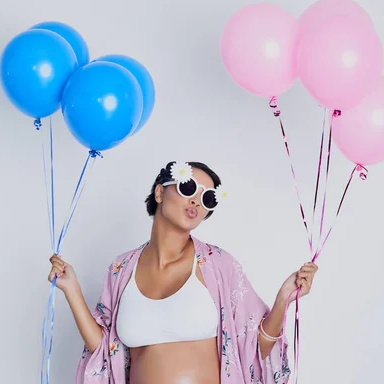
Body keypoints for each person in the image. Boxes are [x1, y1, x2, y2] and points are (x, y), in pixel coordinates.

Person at [48, 161, 318, 384]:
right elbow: (105, 352)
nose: (196, 201)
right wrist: (72, 290)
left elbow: (255, 349)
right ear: (159, 193)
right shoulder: (121, 269)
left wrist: (283, 299)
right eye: (188, 186)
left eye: (207, 198)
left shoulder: (218, 265)